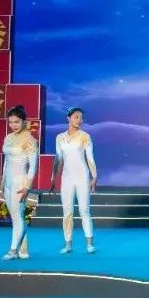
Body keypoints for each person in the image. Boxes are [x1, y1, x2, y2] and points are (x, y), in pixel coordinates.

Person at [51, 107, 98, 254]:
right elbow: (58, 159)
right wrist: (53, 177)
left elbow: (90, 158)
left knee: (84, 210)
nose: (79, 120)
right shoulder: (59, 137)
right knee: (67, 212)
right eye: (76, 117)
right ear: (68, 118)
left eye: (81, 117)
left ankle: (90, 243)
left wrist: (94, 176)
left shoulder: (85, 136)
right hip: (67, 177)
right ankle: (68, 244)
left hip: (82, 176)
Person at [1, 105, 37, 261]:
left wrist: (27, 187)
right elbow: (6, 161)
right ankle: (23, 249)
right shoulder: (8, 137)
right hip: (8, 182)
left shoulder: (29, 140)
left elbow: (33, 167)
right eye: (10, 122)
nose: (13, 125)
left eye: (16, 122)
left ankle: (13, 250)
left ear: (24, 121)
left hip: (20, 181)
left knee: (17, 216)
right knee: (16, 217)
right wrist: (2, 181)